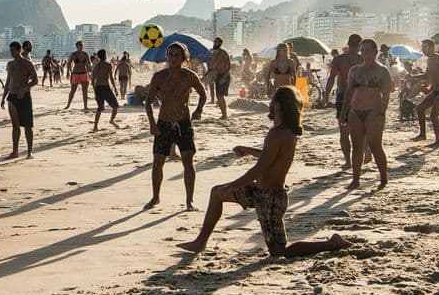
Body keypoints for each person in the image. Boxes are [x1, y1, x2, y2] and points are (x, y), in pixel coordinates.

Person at [176, 86, 352, 257]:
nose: (270, 102)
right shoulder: (287, 131)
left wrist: (234, 185)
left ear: (279, 105)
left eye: (273, 99)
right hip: (260, 192)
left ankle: (332, 243)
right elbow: (270, 157)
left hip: (271, 198)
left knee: (279, 251)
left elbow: (260, 167)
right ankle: (200, 242)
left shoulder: (277, 133)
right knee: (216, 193)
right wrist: (248, 150)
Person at [144, 42, 207, 211]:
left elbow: (203, 94)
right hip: (163, 123)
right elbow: (148, 102)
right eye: (170, 55)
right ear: (166, 57)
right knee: (158, 162)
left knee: (188, 160)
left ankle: (189, 201)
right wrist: (152, 123)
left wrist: (198, 110)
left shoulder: (189, 76)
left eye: (177, 55)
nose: (173, 59)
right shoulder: (159, 77)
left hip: (183, 124)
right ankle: (155, 197)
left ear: (184, 58)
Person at [340, 39, 391, 190]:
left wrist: (382, 112)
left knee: (375, 146)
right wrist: (344, 113)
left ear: (375, 52)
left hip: (373, 111)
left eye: (367, 50)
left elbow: (386, 94)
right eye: (362, 50)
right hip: (355, 111)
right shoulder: (355, 70)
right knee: (357, 147)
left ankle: (383, 179)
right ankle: (355, 180)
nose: (364, 53)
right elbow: (348, 93)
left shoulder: (382, 71)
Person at [322, 34, 363, 168]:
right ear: (360, 46)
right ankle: (365, 152)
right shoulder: (363, 59)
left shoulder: (339, 59)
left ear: (348, 43)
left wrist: (326, 95)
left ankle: (348, 161)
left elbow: (331, 78)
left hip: (343, 94)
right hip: (360, 94)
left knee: (344, 130)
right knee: (361, 128)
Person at [408, 38, 439, 146]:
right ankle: (423, 134)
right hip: (435, 91)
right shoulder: (429, 60)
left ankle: (438, 141)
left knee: (434, 116)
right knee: (419, 108)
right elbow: (426, 75)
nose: (423, 50)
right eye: (422, 47)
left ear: (432, 48)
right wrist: (412, 77)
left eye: (425, 47)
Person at [4, 41, 38, 159]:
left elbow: (35, 80)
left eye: (14, 50)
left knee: (28, 125)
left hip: (24, 96)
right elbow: (8, 81)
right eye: (11, 50)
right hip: (12, 96)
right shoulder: (10, 64)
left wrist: (25, 88)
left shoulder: (27, 63)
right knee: (15, 126)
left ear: (19, 50)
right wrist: (4, 97)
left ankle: (29, 152)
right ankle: (15, 151)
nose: (12, 53)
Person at [91, 49, 120, 131]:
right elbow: (111, 78)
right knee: (115, 106)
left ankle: (95, 126)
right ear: (105, 56)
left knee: (99, 108)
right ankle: (111, 120)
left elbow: (92, 80)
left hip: (98, 88)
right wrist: (115, 89)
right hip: (105, 87)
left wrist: (95, 90)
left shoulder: (96, 67)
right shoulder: (108, 65)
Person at [65, 41, 92, 110]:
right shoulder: (74, 54)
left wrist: (90, 72)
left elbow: (89, 64)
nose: (81, 46)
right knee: (73, 90)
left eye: (82, 45)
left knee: (85, 91)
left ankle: (85, 106)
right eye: (79, 45)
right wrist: (68, 72)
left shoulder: (85, 54)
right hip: (75, 73)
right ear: (76, 46)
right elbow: (69, 64)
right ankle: (68, 105)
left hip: (84, 73)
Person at [211, 37, 231, 119]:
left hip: (224, 75)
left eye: (216, 42)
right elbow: (214, 67)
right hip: (218, 76)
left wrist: (225, 77)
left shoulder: (223, 53)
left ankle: (224, 115)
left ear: (220, 43)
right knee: (218, 96)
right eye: (214, 42)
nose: (214, 43)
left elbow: (229, 66)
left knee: (220, 96)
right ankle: (223, 115)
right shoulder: (215, 54)